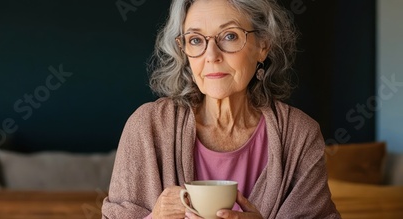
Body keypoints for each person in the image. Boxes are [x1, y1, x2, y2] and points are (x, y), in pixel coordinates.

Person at [102, 0, 340, 218]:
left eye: (229, 36)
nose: (211, 55)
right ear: (184, 51)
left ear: (263, 46)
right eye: (195, 40)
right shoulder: (147, 127)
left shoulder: (300, 135)